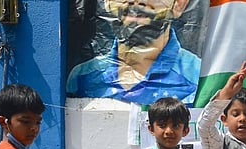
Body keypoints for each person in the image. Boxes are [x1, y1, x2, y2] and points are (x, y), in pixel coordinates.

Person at [66, 0, 200, 104]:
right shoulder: (82, 78)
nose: (136, 2)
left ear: (179, 3)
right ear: (107, 2)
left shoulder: (198, 78)